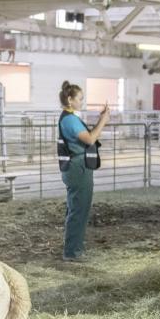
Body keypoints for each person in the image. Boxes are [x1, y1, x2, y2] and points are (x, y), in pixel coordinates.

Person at [56, 81, 109, 262]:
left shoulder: (69, 117)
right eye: (80, 98)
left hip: (77, 166)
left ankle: (73, 248)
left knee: (76, 208)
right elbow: (90, 139)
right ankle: (72, 252)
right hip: (78, 168)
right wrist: (103, 121)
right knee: (79, 210)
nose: (82, 102)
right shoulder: (70, 119)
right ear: (70, 99)